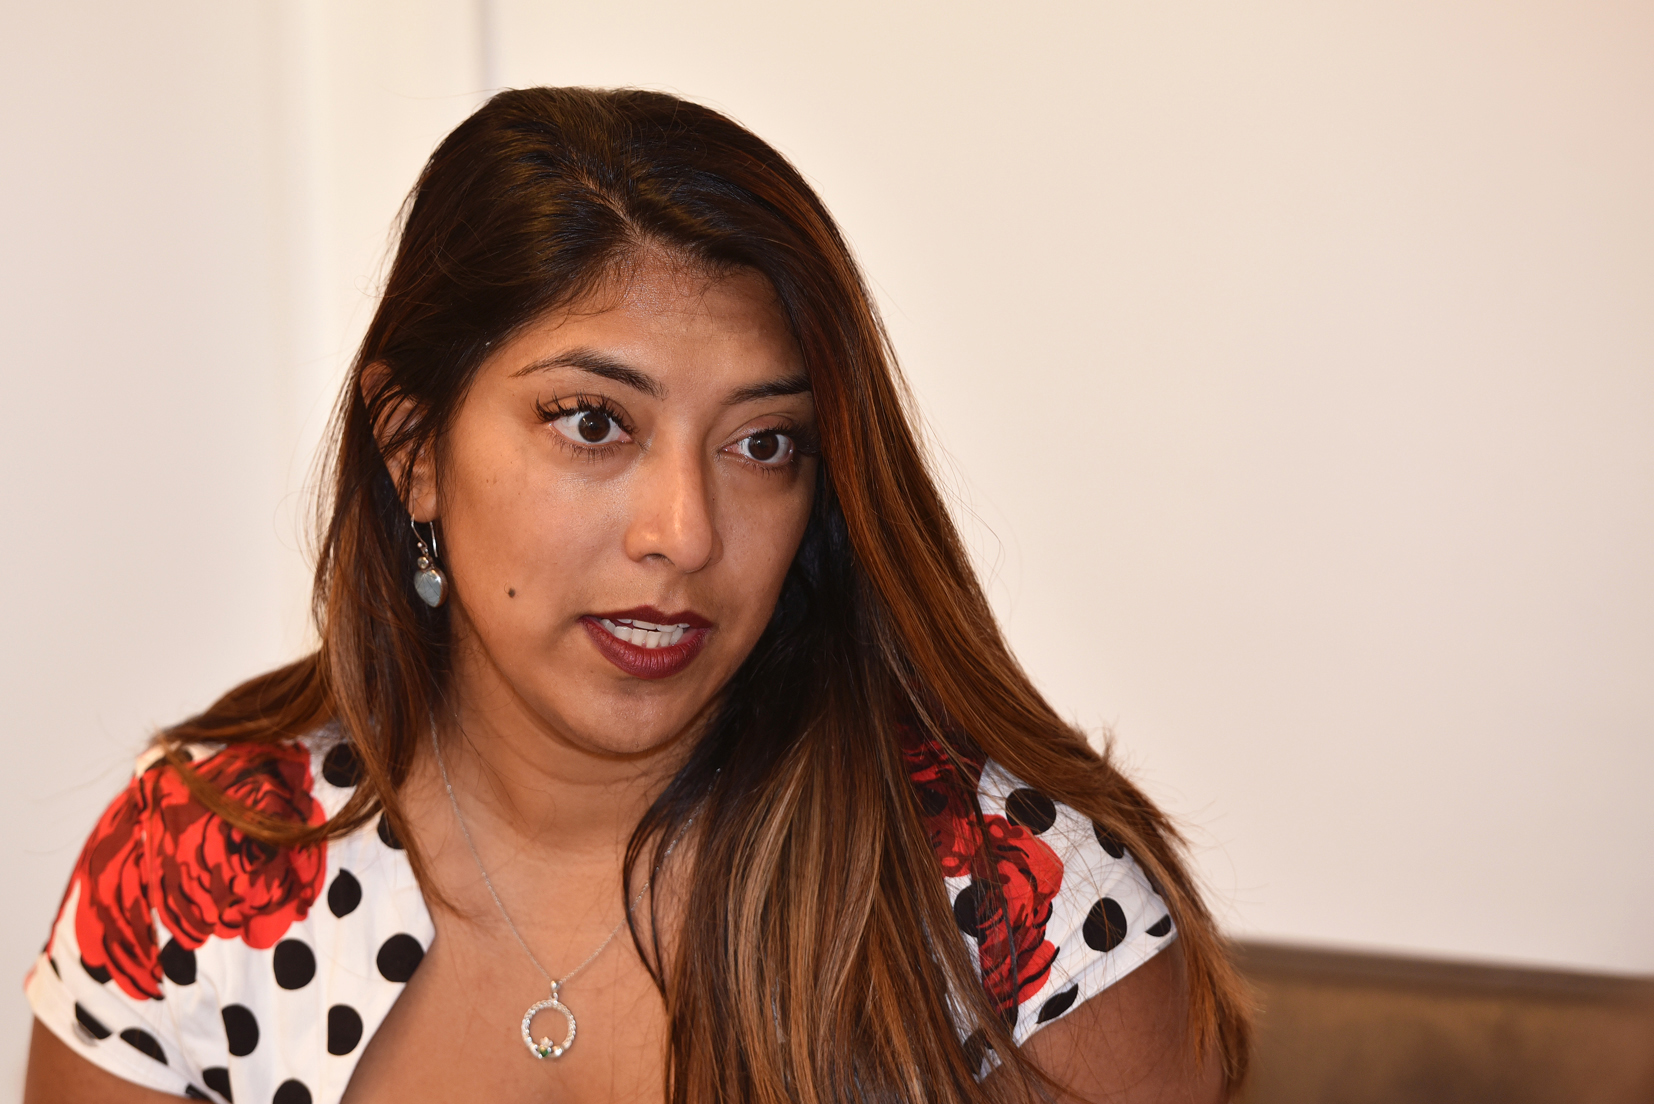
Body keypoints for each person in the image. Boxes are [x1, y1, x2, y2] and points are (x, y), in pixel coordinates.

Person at [23, 87, 1250, 1104]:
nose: (685, 533)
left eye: (762, 444)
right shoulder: (197, 871)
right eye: (593, 422)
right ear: (413, 451)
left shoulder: (1018, 902)